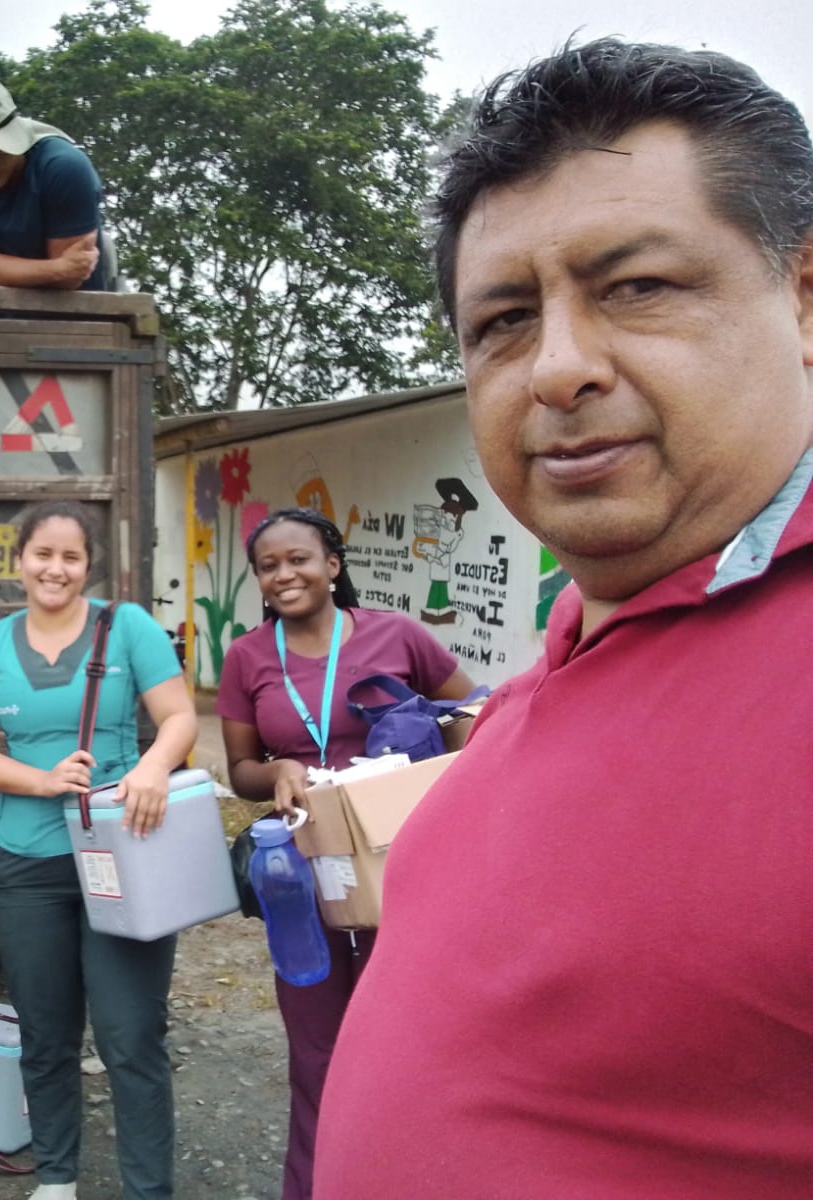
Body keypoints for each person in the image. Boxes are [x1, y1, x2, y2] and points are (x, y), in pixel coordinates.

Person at [313, 39, 813, 1199]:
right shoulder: (542, 680)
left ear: (802, 297)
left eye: (636, 286)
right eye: (501, 320)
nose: (556, 367)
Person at [216, 508, 474, 1200]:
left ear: (332, 564)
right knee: (316, 1052)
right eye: (268, 566)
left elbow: (471, 712)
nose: (283, 575)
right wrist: (277, 771)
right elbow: (240, 769)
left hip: (401, 868)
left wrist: (436, 779)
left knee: (403, 1044)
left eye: (298, 558)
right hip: (302, 876)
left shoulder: (397, 635)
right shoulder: (247, 656)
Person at [0, 501, 198, 1200]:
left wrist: (154, 767)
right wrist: (42, 780)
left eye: (70, 557)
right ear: (18, 561)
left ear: (89, 567)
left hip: (123, 856)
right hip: (23, 864)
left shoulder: (128, 627)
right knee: (46, 1032)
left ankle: (148, 1191)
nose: (55, 569)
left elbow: (178, 716)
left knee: (130, 1036)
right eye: (42, 554)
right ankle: (56, 1179)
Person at [0, 79, 106, 291]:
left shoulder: (63, 167)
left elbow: (69, 281)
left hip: (82, 308)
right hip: (2, 308)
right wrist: (58, 268)